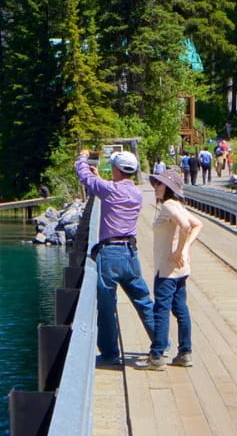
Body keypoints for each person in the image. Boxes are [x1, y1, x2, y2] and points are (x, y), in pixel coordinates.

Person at [75, 148, 154, 365]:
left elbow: (84, 176)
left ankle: (110, 353)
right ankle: (159, 343)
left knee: (107, 306)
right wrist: (100, 178)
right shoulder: (137, 193)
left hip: (109, 253)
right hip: (130, 252)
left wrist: (82, 157)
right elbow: (109, 188)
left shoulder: (109, 190)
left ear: (117, 170)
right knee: (143, 299)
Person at [146, 168, 202, 370]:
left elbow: (187, 226)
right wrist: (184, 250)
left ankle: (157, 355)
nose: (155, 188)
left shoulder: (170, 205)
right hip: (181, 269)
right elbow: (198, 224)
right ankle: (185, 353)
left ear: (167, 187)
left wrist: (179, 250)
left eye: (159, 184)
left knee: (161, 310)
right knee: (181, 309)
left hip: (167, 270)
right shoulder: (177, 205)